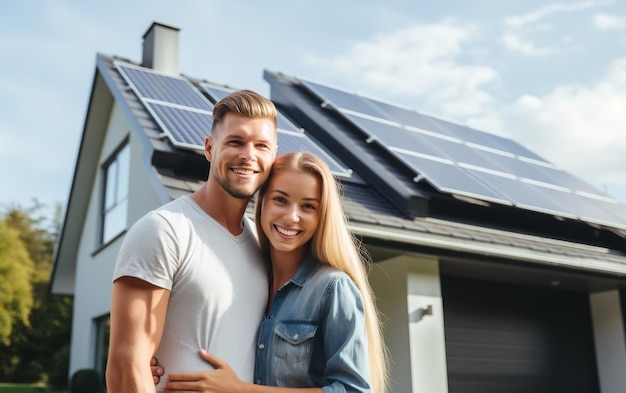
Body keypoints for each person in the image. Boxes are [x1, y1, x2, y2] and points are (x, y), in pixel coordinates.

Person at [158, 152, 389, 393]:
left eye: (308, 206)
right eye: (280, 200)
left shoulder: (332, 288)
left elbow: (354, 391)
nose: (291, 217)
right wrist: (155, 362)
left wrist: (240, 390)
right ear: (263, 201)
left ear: (322, 216)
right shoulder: (248, 277)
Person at [105, 89, 279, 393]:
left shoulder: (265, 246)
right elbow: (126, 367)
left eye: (261, 145)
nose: (248, 155)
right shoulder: (164, 230)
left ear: (273, 156)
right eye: (235, 141)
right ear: (210, 149)